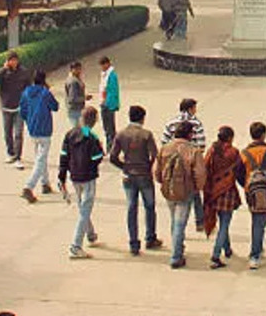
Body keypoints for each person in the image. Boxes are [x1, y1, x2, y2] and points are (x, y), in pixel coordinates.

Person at [110, 105, 162, 255]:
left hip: (128, 175)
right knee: (150, 206)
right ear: (142, 118)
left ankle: (134, 243)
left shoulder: (121, 134)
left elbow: (113, 157)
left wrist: (124, 167)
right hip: (144, 175)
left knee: (131, 208)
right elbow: (154, 155)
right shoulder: (146, 135)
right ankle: (150, 237)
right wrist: (148, 167)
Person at [233, 121, 266, 270]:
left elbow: (238, 174)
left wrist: (247, 185)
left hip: (252, 192)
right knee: (260, 222)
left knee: (257, 219)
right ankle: (255, 254)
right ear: (263, 135)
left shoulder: (244, 154)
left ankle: (258, 248)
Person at [156, 120, 207, 269]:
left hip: (169, 189)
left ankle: (178, 247)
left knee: (174, 219)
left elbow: (156, 170)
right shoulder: (193, 151)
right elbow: (200, 173)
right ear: (190, 135)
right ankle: (176, 256)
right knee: (180, 223)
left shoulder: (165, 148)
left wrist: (162, 182)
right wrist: (197, 188)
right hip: (186, 191)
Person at [58, 106, 104, 259]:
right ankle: (75, 245)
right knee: (85, 210)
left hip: (74, 176)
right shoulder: (92, 138)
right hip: (88, 177)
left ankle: (90, 234)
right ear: (95, 120)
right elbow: (97, 158)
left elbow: (64, 156)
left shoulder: (70, 134)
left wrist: (62, 177)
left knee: (82, 206)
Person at [162, 98, 207, 231]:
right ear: (190, 109)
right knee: (194, 191)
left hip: (172, 162)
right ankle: (199, 221)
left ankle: (178, 226)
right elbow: (201, 145)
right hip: (190, 161)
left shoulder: (171, 123)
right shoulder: (196, 123)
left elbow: (164, 142)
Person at [203, 125, 242, 269]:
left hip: (213, 192)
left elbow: (205, 168)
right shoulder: (234, 152)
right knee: (225, 224)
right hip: (228, 192)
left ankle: (228, 249)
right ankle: (215, 255)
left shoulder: (212, 151)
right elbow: (239, 172)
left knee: (222, 222)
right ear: (230, 138)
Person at [19, 70, 59, 203]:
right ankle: (28, 187)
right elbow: (55, 107)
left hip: (32, 129)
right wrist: (48, 91)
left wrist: (29, 121)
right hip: (45, 129)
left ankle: (45, 183)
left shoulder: (25, 93)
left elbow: (23, 111)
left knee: (40, 157)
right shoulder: (44, 93)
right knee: (40, 160)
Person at [0, 51, 30, 168]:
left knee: (18, 134)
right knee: (7, 133)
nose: (13, 62)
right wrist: (3, 69)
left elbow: (28, 86)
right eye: (11, 60)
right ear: (7, 61)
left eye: (15, 60)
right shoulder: (3, 72)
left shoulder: (23, 72)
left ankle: (18, 157)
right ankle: (10, 153)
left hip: (19, 107)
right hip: (6, 107)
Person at [98, 56, 120, 152]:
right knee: (106, 128)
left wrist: (107, 102)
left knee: (111, 128)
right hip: (104, 103)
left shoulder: (112, 76)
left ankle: (112, 148)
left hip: (109, 104)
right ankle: (109, 146)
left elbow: (113, 91)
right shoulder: (104, 75)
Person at [63, 61, 91, 129]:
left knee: (81, 129)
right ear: (72, 70)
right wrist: (84, 98)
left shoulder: (74, 79)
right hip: (76, 109)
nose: (79, 71)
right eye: (77, 69)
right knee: (82, 130)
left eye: (80, 69)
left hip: (74, 109)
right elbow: (73, 98)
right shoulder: (73, 82)